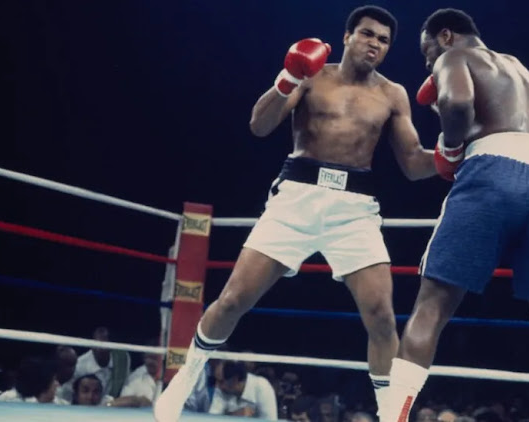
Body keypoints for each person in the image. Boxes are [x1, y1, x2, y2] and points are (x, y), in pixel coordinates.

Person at [154, 5, 436, 421]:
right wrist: (287, 79)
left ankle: (390, 413)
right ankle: (182, 382)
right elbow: (260, 125)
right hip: (297, 197)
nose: (374, 43)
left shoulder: (392, 94)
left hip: (355, 209)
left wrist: (449, 155)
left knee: (380, 315)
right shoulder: (313, 76)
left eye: (383, 39)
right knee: (233, 300)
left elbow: (413, 163)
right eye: (367, 34)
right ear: (347, 36)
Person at [384, 8, 529, 422]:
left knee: (431, 306)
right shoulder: (517, 66)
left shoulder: (454, 57)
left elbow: (459, 100)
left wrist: (450, 147)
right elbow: (488, 113)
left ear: (445, 35)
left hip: (492, 171)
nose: (428, 63)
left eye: (427, 52)